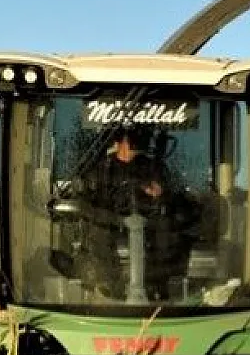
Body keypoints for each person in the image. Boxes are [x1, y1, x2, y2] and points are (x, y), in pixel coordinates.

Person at [83, 126, 204, 301]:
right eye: (130, 140)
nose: (134, 144)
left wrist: (157, 192)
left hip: (150, 223)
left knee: (167, 232)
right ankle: (111, 290)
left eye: (138, 140)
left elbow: (169, 195)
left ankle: (158, 289)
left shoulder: (152, 166)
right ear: (118, 143)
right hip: (112, 223)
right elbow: (90, 202)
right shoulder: (102, 169)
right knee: (97, 234)